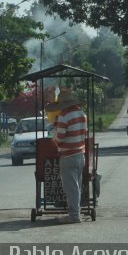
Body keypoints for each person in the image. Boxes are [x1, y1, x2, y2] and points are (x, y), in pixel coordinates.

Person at [45, 90, 87, 224]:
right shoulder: (82, 114)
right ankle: (76, 212)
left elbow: (59, 139)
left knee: (71, 188)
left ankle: (74, 216)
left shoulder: (64, 116)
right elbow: (83, 135)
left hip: (68, 155)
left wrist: (53, 131)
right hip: (81, 154)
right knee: (77, 186)